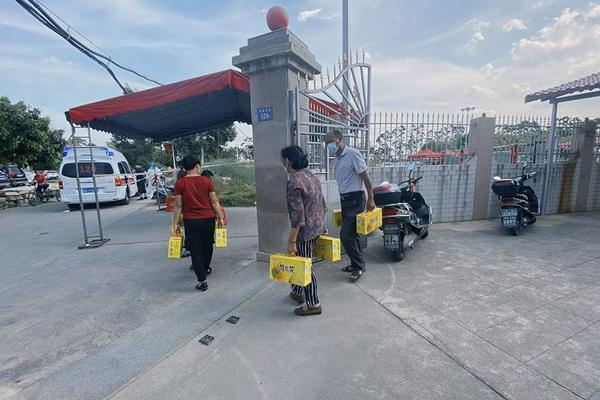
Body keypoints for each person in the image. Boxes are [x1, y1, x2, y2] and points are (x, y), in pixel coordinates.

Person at [282, 145, 327, 316]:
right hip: (316, 227)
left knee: (305, 266)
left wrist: (292, 241)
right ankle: (297, 292)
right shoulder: (311, 176)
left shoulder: (294, 180)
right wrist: (323, 225)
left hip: (304, 232)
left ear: (287, 161)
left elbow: (298, 215)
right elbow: (321, 202)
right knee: (300, 262)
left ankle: (313, 303)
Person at [325, 129, 375, 282]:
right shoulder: (337, 158)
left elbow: (365, 177)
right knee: (352, 234)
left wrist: (370, 198)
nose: (330, 146)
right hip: (345, 200)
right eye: (327, 144)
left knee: (345, 235)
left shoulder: (353, 154)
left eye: (332, 142)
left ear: (340, 140)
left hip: (355, 200)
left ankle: (359, 266)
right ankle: (356, 264)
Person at [171, 155, 225, 292]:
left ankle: (202, 281)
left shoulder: (180, 183)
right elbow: (214, 202)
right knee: (207, 246)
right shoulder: (206, 181)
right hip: (208, 220)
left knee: (195, 250)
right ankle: (206, 267)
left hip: (191, 221)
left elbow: (178, 205)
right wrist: (221, 217)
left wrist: (175, 223)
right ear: (196, 166)